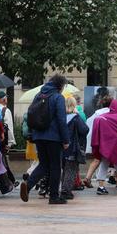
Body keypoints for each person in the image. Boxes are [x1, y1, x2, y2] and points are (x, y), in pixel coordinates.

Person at [20, 74, 70, 204]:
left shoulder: (39, 95)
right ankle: (54, 197)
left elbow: (31, 114)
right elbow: (61, 120)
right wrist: (66, 140)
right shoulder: (58, 97)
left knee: (43, 164)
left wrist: (32, 134)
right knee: (55, 166)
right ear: (60, 85)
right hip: (53, 137)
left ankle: (28, 185)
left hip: (38, 136)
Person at [90, 99, 117, 195]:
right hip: (115, 146)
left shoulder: (100, 117)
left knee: (103, 164)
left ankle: (101, 186)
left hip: (103, 146)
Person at [61, 96, 88, 200]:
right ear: (74, 105)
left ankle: (64, 188)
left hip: (62, 147)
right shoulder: (75, 118)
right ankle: (66, 191)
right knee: (71, 169)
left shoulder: (61, 117)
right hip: (73, 148)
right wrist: (77, 114)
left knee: (65, 169)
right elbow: (84, 129)